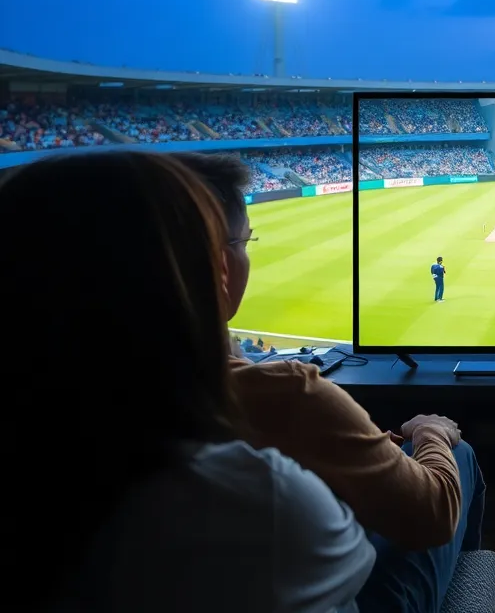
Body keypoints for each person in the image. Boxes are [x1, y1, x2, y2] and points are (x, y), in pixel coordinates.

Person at [3, 151, 374, 612]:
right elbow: (387, 543)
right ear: (206, 277)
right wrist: (434, 436)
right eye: (225, 249)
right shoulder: (259, 500)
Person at [176, 152, 488, 613]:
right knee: (454, 455)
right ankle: (469, 593)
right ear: (221, 266)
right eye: (244, 241)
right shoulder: (283, 395)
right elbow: (433, 514)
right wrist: (431, 433)